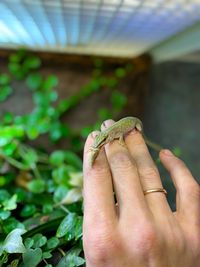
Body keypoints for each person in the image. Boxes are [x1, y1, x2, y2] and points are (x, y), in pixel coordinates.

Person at [83, 119, 200, 267]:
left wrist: (128, 138)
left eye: (103, 141)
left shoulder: (115, 133)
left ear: (107, 137)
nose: (101, 145)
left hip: (133, 124)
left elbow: (120, 136)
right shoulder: (111, 135)